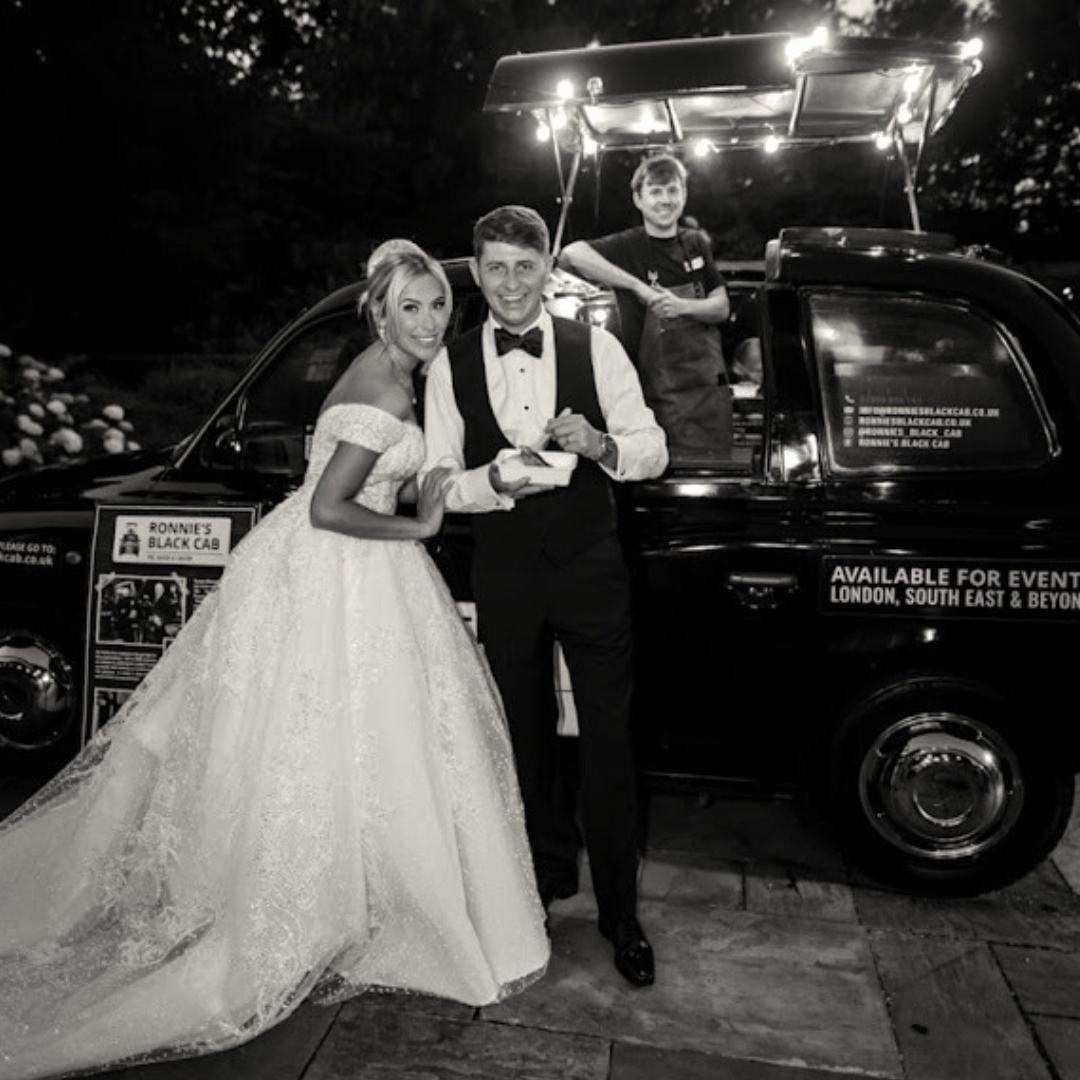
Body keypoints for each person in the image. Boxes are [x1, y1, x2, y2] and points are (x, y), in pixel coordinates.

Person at [0, 244, 549, 1080]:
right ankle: (316, 905)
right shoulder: (382, 385)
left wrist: (442, 490)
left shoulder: (392, 371)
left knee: (339, 739)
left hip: (320, 567)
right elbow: (332, 507)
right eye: (413, 308)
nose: (431, 321)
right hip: (338, 563)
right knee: (337, 736)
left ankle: (349, 895)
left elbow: (334, 484)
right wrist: (418, 528)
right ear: (381, 314)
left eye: (439, 305)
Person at [422, 205, 668, 988]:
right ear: (477, 270)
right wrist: (486, 483)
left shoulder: (597, 348)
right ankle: (542, 884)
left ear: (548, 269)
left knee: (609, 745)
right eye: (495, 267)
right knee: (522, 741)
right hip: (506, 575)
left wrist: (600, 445)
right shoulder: (447, 364)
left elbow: (653, 447)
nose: (510, 284)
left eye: (525, 267)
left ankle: (621, 914)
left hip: (592, 569)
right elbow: (435, 480)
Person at [558, 153, 732, 459]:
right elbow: (571, 254)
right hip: (657, 400)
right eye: (655, 191)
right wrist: (638, 287)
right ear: (638, 199)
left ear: (684, 195)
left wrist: (682, 307)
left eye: (672, 190)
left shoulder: (694, 243)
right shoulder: (628, 245)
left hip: (708, 397)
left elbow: (721, 307)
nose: (665, 200)